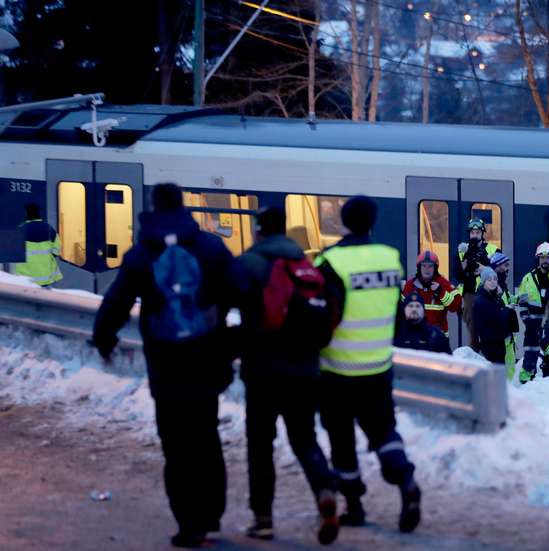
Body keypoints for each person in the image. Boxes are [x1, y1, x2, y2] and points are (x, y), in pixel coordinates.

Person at [92, 183, 235, 548]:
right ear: (183, 205)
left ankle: (189, 525)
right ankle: (211, 516)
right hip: (207, 363)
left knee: (176, 448)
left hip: (166, 367)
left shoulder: (141, 254)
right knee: (206, 439)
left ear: (153, 207)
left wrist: (104, 339)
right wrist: (231, 337)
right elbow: (239, 290)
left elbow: (117, 302)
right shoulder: (211, 247)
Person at [231, 206, 339, 544]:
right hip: (305, 369)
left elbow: (224, 301)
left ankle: (263, 519)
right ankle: (324, 490)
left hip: (262, 370)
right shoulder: (303, 264)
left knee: (260, 444)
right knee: (304, 438)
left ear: (258, 230)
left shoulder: (249, 264)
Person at [314, 195, 422, 533]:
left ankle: (355, 507)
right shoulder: (390, 259)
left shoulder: (329, 261)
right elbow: (395, 314)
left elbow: (322, 319)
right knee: (384, 430)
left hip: (338, 370)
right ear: (373, 222)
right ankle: (406, 480)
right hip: (378, 367)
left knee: (342, 440)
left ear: (343, 222)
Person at [517, 242, 549, 383]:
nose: (545, 260)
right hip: (533, 320)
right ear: (538, 259)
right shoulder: (528, 278)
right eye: (542, 257)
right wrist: (525, 317)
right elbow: (522, 300)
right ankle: (526, 377)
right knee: (531, 348)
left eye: (548, 257)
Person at [457, 218, 498, 350]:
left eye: (477, 232)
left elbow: (500, 271)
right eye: (472, 233)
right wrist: (464, 265)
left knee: (489, 326)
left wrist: (483, 268)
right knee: (473, 330)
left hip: (488, 294)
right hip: (470, 294)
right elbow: (456, 274)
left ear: (482, 233)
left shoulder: (493, 250)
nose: (474, 235)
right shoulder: (462, 250)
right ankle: (474, 354)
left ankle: (489, 353)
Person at [472, 266, 520, 378]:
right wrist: (506, 309)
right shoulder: (482, 300)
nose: (493, 282)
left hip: (498, 342)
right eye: (489, 279)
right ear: (483, 282)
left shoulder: (493, 296)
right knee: (496, 375)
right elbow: (495, 318)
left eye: (495, 279)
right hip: (491, 344)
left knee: (501, 373)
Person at [401, 250, 461, 336]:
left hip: (438, 338)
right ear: (419, 267)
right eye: (424, 266)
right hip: (416, 337)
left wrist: (441, 293)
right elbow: (401, 311)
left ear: (435, 268)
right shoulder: (410, 285)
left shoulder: (443, 284)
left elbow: (455, 306)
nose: (427, 269)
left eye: (430, 266)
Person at [14, 202, 62, 287]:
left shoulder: (20, 229)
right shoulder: (49, 228)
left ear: (26, 214)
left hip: (25, 277)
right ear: (38, 213)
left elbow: (13, 250)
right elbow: (57, 249)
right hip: (45, 276)